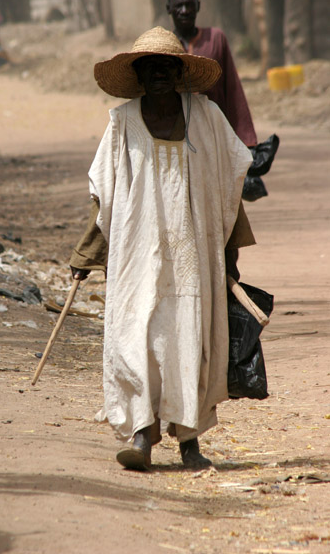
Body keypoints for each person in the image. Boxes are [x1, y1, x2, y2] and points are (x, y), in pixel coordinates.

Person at [69, 26, 255, 471]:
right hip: (138, 254)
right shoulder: (121, 124)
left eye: (166, 67)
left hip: (192, 256)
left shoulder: (207, 118)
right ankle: (141, 435)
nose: (157, 74)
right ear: (137, 75)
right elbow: (106, 196)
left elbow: (229, 183)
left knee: (189, 337)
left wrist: (230, 254)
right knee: (135, 336)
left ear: (178, 72)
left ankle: (190, 442)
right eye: (149, 67)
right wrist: (87, 257)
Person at [166, 0, 257, 148]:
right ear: (168, 9)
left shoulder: (215, 38)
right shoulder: (163, 44)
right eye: (178, 6)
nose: (184, 11)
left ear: (198, 6)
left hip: (214, 136)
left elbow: (232, 89)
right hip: (176, 137)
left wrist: (247, 141)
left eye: (189, 4)